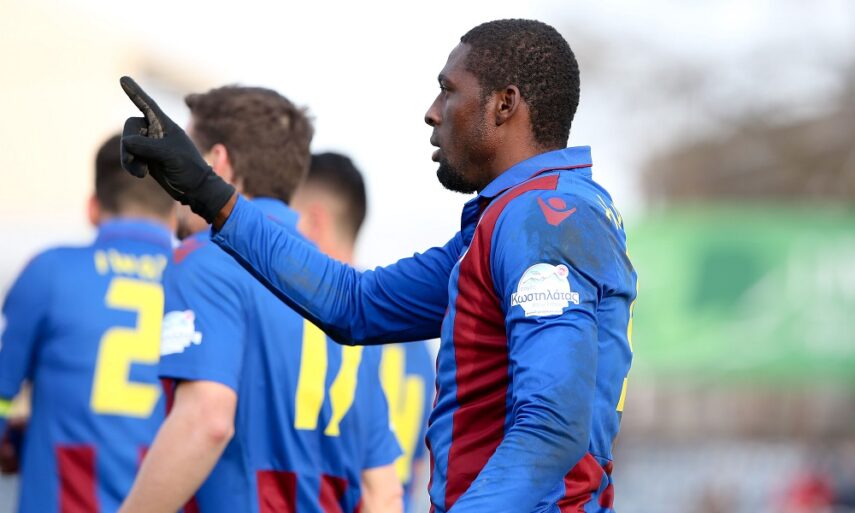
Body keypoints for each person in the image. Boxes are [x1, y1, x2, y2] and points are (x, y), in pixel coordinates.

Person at [119, 18, 638, 512]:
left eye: (448, 90)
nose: (432, 112)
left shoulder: (546, 217)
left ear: (505, 104)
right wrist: (207, 191)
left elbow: (552, 424)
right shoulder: (511, 221)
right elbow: (354, 304)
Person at [119, 86, 403, 513]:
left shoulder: (206, 260)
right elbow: (383, 491)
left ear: (217, 162)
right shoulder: (338, 283)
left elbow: (206, 422)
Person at [0, 134, 175, 512]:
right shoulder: (201, 281)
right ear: (175, 212)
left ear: (93, 207)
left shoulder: (51, 271)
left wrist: (13, 441)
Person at [291, 152, 435, 512]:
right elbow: (421, 463)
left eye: (288, 218)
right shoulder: (417, 346)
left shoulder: (310, 321)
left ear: (315, 221)